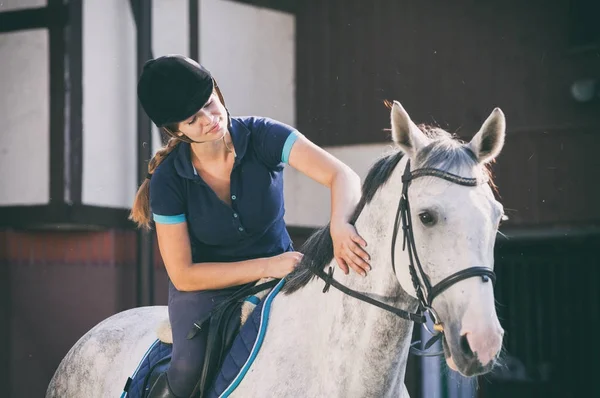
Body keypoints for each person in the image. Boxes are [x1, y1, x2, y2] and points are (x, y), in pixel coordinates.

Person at [130, 54, 371, 398]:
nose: (209, 120)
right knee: (186, 371)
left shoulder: (263, 135)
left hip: (284, 274)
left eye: (209, 104)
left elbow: (342, 175)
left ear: (217, 91)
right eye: (193, 119)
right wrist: (268, 266)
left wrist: (339, 225)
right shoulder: (168, 180)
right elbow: (183, 274)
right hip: (206, 290)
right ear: (176, 130)